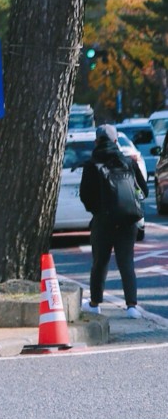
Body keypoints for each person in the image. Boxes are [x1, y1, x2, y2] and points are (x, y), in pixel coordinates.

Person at [79, 124, 148, 317]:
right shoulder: (128, 162)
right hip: (128, 221)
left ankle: (94, 303)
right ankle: (132, 306)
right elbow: (144, 190)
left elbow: (85, 195)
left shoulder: (92, 164)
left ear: (96, 141)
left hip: (103, 221)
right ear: (116, 141)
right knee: (126, 263)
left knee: (100, 262)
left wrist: (98, 210)